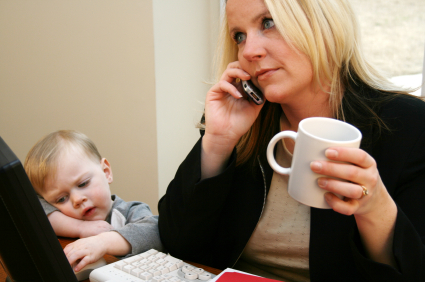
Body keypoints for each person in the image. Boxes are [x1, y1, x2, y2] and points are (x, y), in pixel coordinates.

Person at [158, 0, 425, 281]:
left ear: (322, 23)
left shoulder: (408, 127)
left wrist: (375, 209)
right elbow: (177, 244)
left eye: (268, 23)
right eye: (239, 36)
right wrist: (217, 143)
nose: (249, 50)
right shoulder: (243, 123)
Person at [24, 130, 163, 272]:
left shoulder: (129, 211)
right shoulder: (64, 217)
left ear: (106, 172)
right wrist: (80, 228)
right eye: (61, 199)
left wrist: (102, 242)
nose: (77, 200)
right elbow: (31, 209)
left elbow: (154, 231)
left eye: (83, 184)